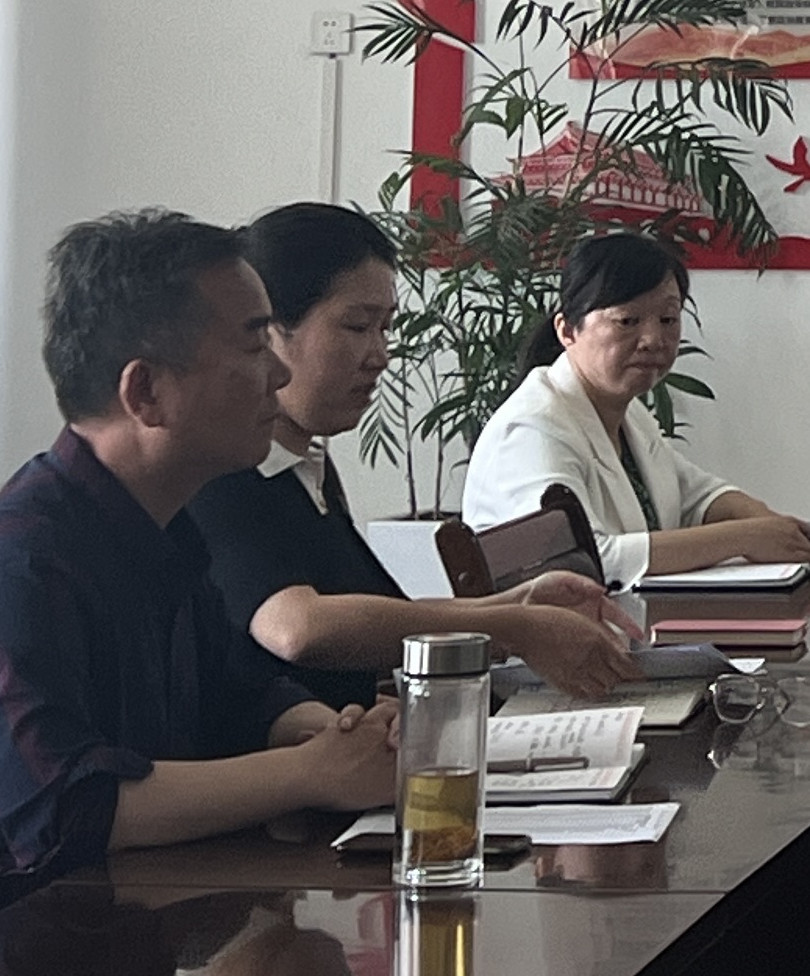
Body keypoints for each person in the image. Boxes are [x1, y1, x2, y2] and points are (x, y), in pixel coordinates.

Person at [0, 210, 399, 897]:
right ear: (145, 391)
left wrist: (331, 735)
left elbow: (239, 696)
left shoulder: (161, 524)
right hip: (2, 945)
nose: (277, 372)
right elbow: (62, 811)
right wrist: (311, 773)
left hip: (137, 911)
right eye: (252, 345)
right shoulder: (16, 568)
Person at [188, 203, 641, 705]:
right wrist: (513, 625)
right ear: (271, 332)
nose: (380, 356)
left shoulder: (307, 470)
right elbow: (299, 627)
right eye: (357, 327)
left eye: (385, 329)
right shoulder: (223, 472)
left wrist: (519, 604)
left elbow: (377, 616)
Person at [458, 229, 810, 587]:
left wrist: (771, 525)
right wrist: (744, 537)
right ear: (567, 331)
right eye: (627, 321)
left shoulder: (627, 414)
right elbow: (582, 561)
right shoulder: (531, 430)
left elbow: (697, 497)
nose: (653, 340)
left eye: (668, 319)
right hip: (555, 624)